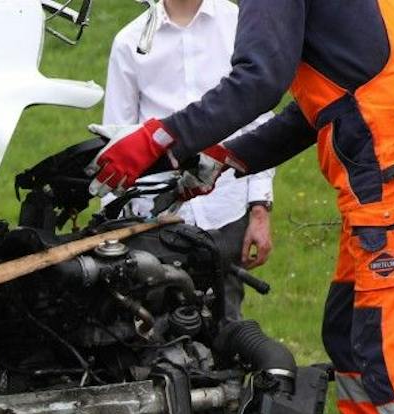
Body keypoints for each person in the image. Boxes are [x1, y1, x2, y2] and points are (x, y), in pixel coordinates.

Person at [91, 0, 394, 414]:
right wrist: (225, 156)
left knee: (386, 334)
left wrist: (161, 139)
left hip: (389, 166)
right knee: (349, 327)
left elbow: (258, 80)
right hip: (387, 158)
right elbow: (318, 106)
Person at [101, 0, 274, 319]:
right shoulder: (131, 41)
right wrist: (110, 225)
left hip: (226, 210)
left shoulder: (239, 24)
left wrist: (260, 207)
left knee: (227, 326)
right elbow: (118, 138)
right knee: (152, 326)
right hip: (155, 219)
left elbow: (259, 119)